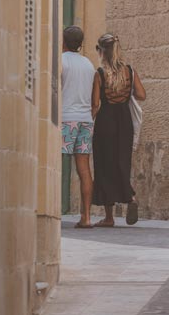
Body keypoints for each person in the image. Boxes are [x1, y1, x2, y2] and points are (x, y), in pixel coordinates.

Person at [91, 33, 146, 227]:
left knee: (105, 165)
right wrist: (125, 91)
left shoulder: (100, 73)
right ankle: (130, 199)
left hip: (106, 122)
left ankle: (109, 217)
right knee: (122, 163)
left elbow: (96, 104)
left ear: (101, 51)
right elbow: (141, 94)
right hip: (124, 121)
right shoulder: (130, 71)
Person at [61, 25, 96, 229]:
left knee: (54, 164)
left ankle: (50, 211)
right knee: (84, 168)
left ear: (63, 41)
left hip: (66, 118)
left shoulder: (61, 61)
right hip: (85, 119)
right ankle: (87, 216)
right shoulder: (88, 64)